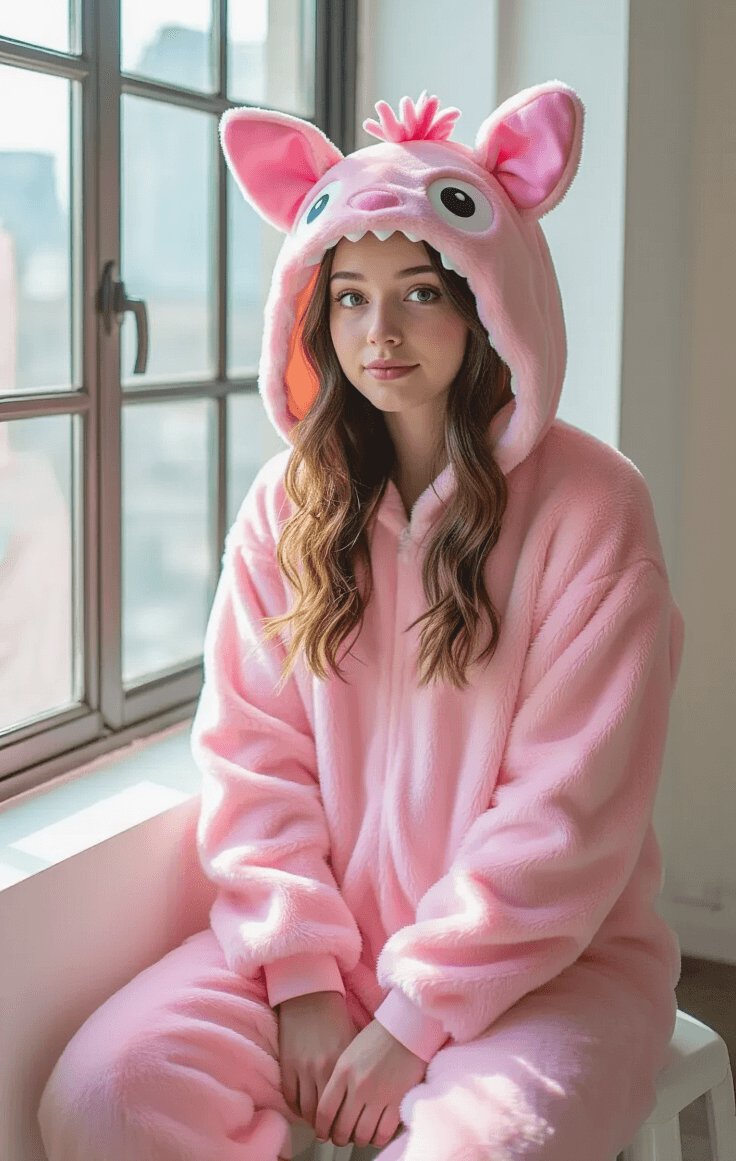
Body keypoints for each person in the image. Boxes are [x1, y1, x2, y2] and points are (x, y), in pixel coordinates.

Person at [37, 84, 685, 1161]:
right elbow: (252, 756)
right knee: (108, 1096)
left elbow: (563, 821)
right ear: (312, 307)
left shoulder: (593, 512)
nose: (376, 332)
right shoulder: (288, 505)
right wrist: (298, 976)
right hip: (318, 953)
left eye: (419, 292)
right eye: (348, 296)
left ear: (486, 299)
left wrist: (412, 1018)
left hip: (548, 968)